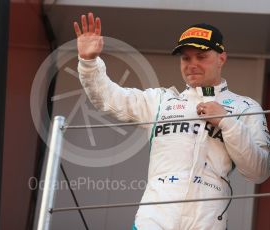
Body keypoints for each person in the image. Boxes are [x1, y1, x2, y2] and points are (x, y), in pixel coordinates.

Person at [73, 12, 270, 229]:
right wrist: (89, 62)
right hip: (154, 219)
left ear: (221, 58)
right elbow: (108, 98)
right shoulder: (160, 101)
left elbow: (259, 171)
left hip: (207, 221)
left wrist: (227, 122)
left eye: (201, 56)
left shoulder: (245, 107)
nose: (192, 64)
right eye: (186, 58)